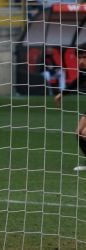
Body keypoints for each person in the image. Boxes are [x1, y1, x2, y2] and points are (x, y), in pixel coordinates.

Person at [54, 42, 86, 170]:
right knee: (79, 133)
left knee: (84, 133)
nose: (81, 61)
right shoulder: (83, 71)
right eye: (80, 57)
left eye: (85, 57)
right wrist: (62, 93)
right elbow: (77, 82)